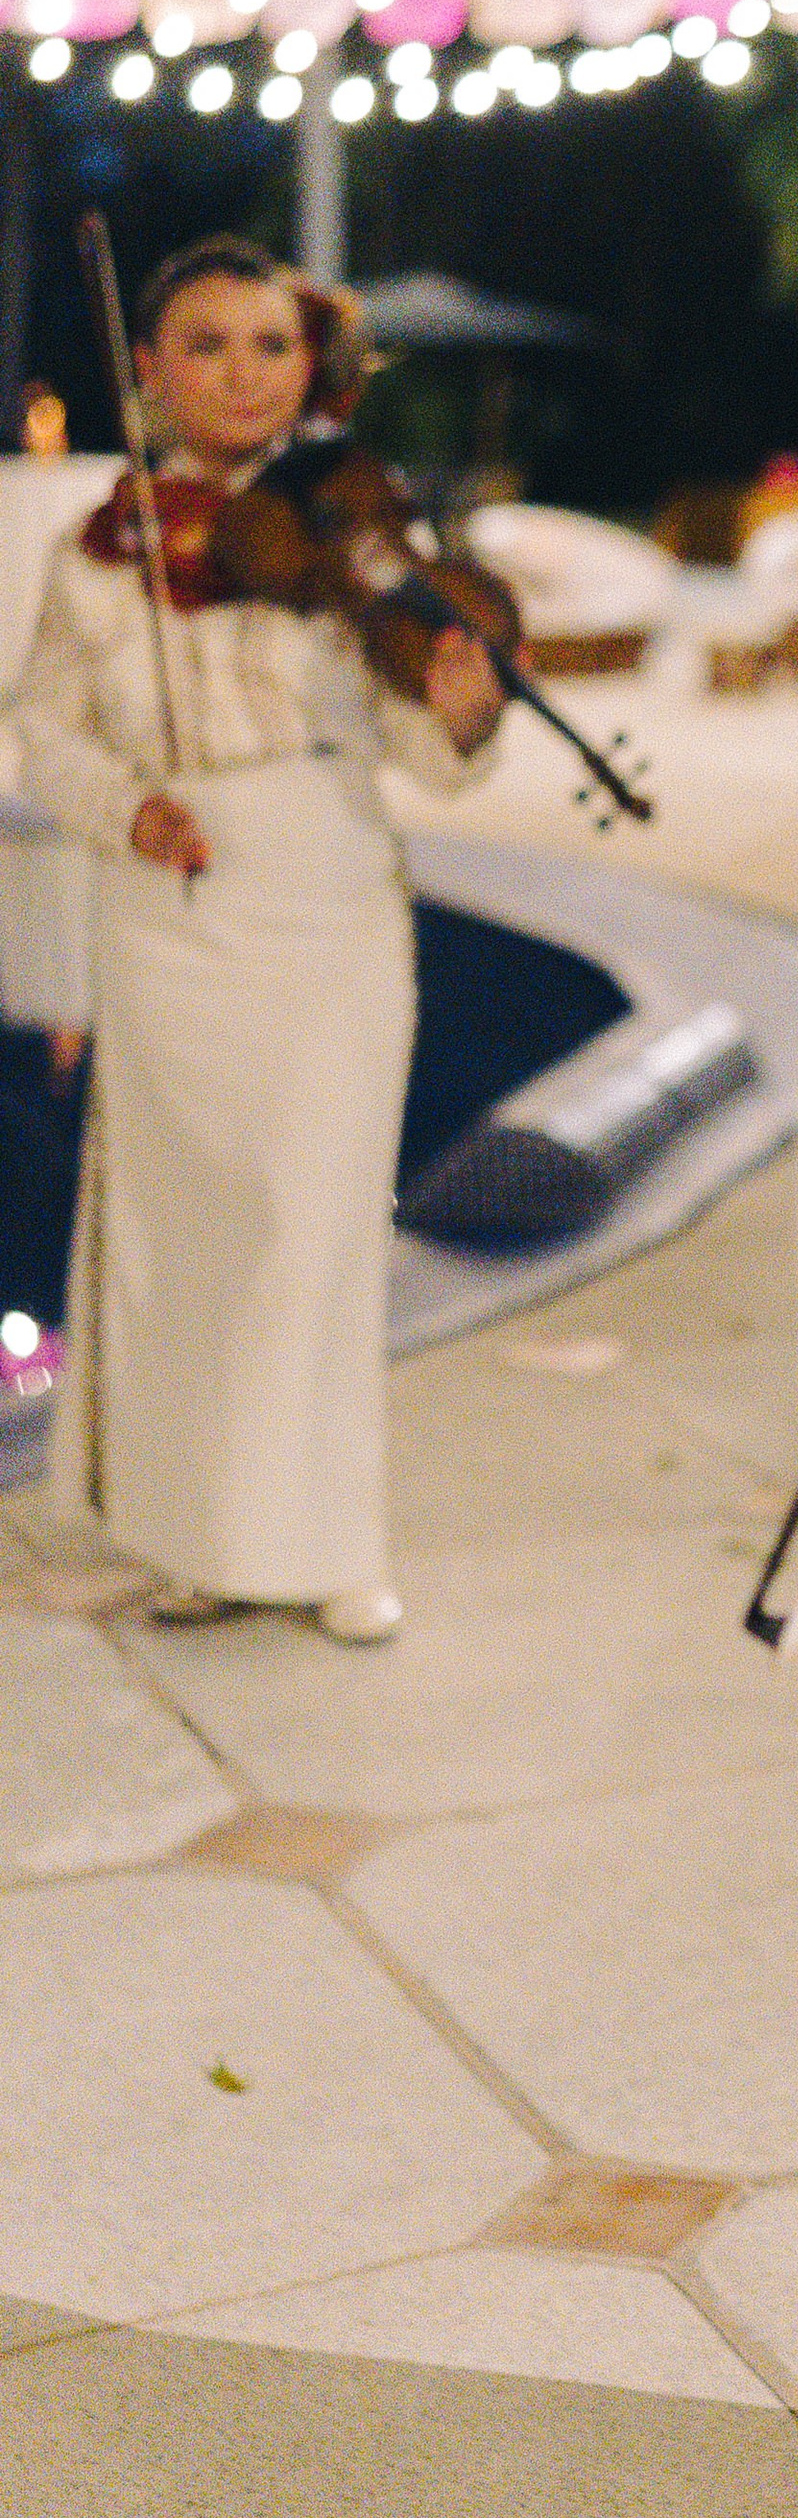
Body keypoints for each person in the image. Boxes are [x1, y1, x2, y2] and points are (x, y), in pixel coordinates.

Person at [13, 234, 503, 1639]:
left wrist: (463, 701)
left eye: (271, 345)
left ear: (311, 366)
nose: (242, 373)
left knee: (318, 1225)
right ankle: (204, 1542)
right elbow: (43, 730)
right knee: (190, 1236)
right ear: (154, 371)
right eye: (208, 346)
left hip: (332, 899)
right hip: (169, 912)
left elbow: (429, 751)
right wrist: (126, 807)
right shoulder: (98, 550)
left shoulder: (357, 532)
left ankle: (331, 1539)